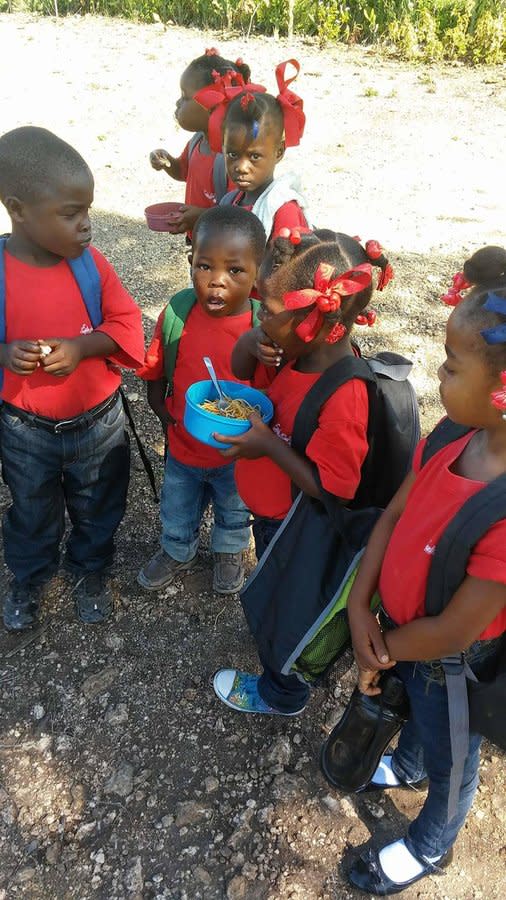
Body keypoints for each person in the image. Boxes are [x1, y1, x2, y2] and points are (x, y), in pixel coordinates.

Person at [343, 245, 506, 895]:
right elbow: (394, 515)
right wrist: (361, 608)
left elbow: (458, 629)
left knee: (452, 755)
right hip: (399, 636)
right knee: (413, 716)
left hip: (450, 665)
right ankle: (406, 762)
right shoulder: (449, 437)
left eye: (450, 365)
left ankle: (432, 841)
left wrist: (380, 651)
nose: (437, 376)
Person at [212, 231, 393, 712]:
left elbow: (334, 487)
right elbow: (239, 372)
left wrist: (266, 444)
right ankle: (275, 646)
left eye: (268, 311)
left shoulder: (344, 395)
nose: (259, 317)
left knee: (289, 610)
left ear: (316, 319)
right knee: (273, 591)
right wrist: (253, 341)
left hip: (293, 526)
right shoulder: (292, 353)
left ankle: (282, 692)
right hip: (269, 515)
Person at [0, 126, 144, 631]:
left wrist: (83, 347)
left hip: (97, 426)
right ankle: (30, 575)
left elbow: (127, 327)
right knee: (31, 509)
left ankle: (91, 570)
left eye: (88, 210)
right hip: (24, 430)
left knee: (99, 504)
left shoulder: (90, 266)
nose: (86, 226)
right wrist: (5, 352)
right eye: (70, 213)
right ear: (18, 209)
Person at [136, 205, 267, 595]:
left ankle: (228, 552)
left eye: (235, 270)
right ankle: (178, 550)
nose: (216, 282)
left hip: (237, 453)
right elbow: (156, 370)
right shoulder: (178, 311)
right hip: (183, 445)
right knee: (177, 506)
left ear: (258, 271)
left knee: (234, 509)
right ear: (190, 261)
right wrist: (162, 414)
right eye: (204, 266)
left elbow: (273, 391)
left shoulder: (262, 326)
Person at [149, 48, 252, 238]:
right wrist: (167, 162)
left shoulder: (231, 159)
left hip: (220, 248)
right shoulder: (197, 141)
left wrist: (199, 217)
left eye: (185, 97)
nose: (178, 103)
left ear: (210, 106)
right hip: (198, 241)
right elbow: (183, 171)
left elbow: (237, 214)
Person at [218, 60, 310, 244]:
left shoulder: (283, 211)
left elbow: (288, 269)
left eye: (254, 156)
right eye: (232, 155)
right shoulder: (229, 202)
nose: (241, 167)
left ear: (279, 152)